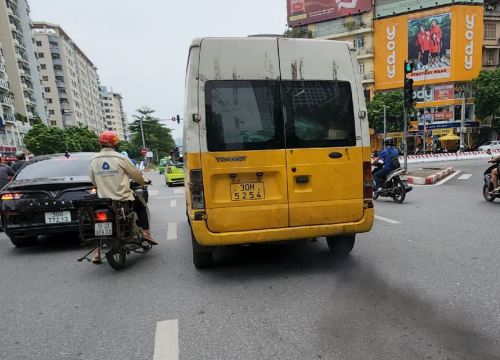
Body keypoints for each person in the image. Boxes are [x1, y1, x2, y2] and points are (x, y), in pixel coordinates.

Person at [89, 131, 158, 264]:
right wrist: (144, 181)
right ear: (116, 143)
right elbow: (136, 175)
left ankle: (97, 251)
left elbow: (93, 180)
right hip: (123, 197)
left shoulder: (93, 160)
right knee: (141, 205)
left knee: (97, 221)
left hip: (103, 199)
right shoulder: (121, 158)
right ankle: (146, 234)